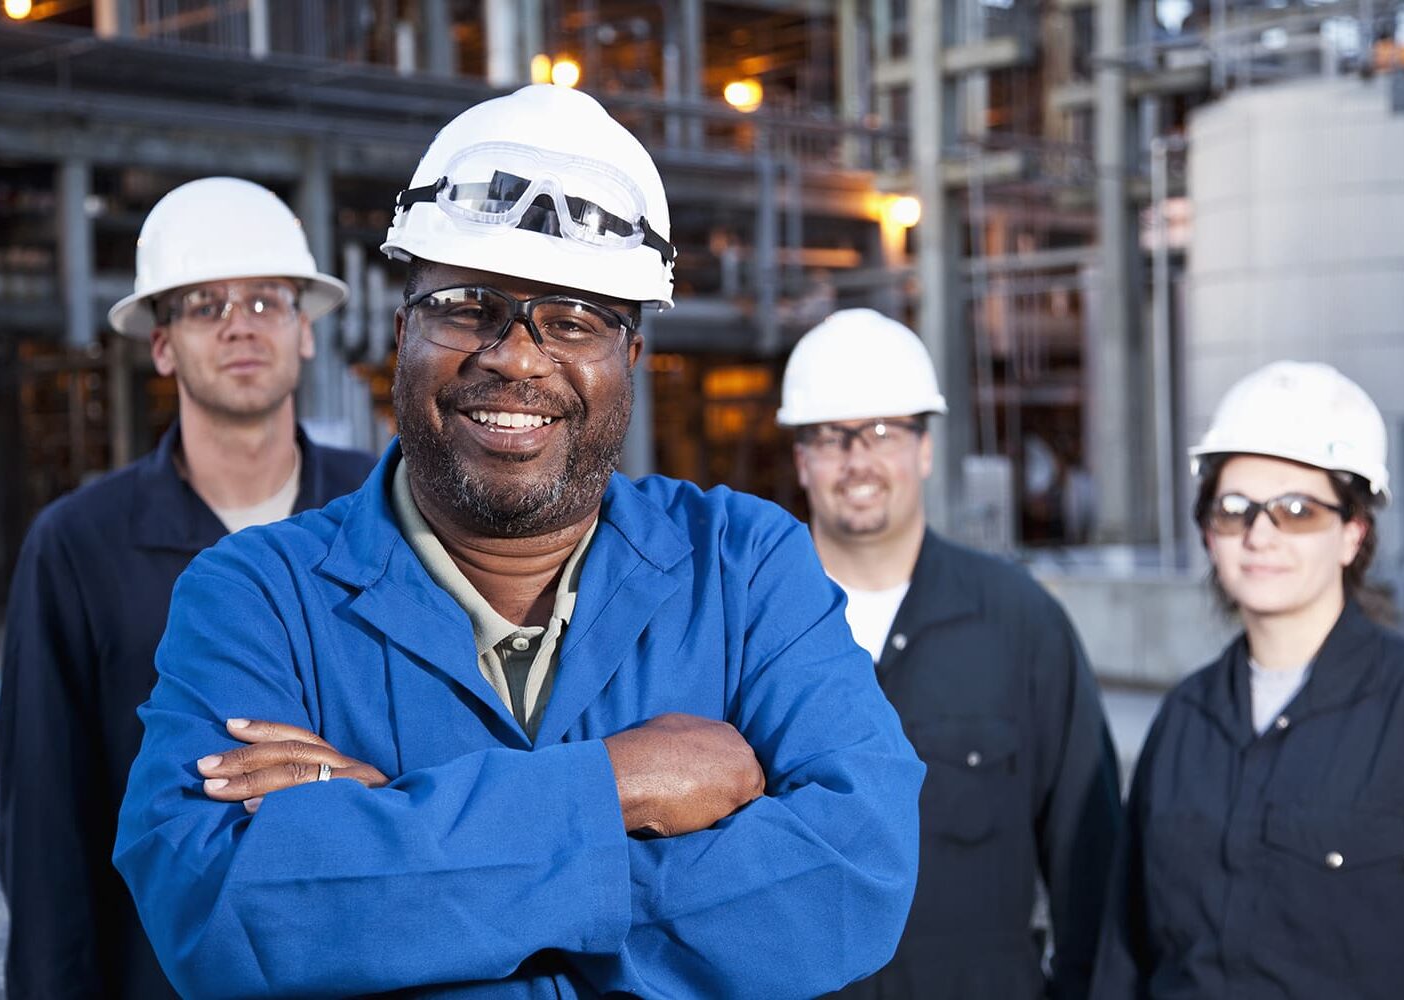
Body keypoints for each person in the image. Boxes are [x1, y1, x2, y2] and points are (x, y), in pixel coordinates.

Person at [113, 85, 923, 999]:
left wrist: (384, 844)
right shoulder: (256, 597)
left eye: (575, 320)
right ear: (401, 331)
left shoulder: (743, 565)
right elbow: (223, 908)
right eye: (467, 306)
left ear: (632, 360)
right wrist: (614, 787)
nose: (517, 356)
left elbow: (856, 876)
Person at [0, 176, 375, 999]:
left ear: (306, 330)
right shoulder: (79, 545)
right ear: (162, 343)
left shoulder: (384, 514)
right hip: (164, 975)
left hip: (367, 963)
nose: (240, 325)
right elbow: (48, 833)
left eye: (267, 302)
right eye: (205, 305)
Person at [777, 308, 1123, 999]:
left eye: (883, 432)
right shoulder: (751, 627)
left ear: (926, 449)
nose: (858, 461)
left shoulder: (1018, 622)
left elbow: (1093, 863)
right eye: (833, 436)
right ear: (802, 458)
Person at [1091, 360, 1404, 999]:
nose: (1261, 533)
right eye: (1236, 509)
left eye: (1297, 509)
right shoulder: (1185, 719)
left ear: (1353, 533)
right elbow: (1126, 950)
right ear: (1210, 533)